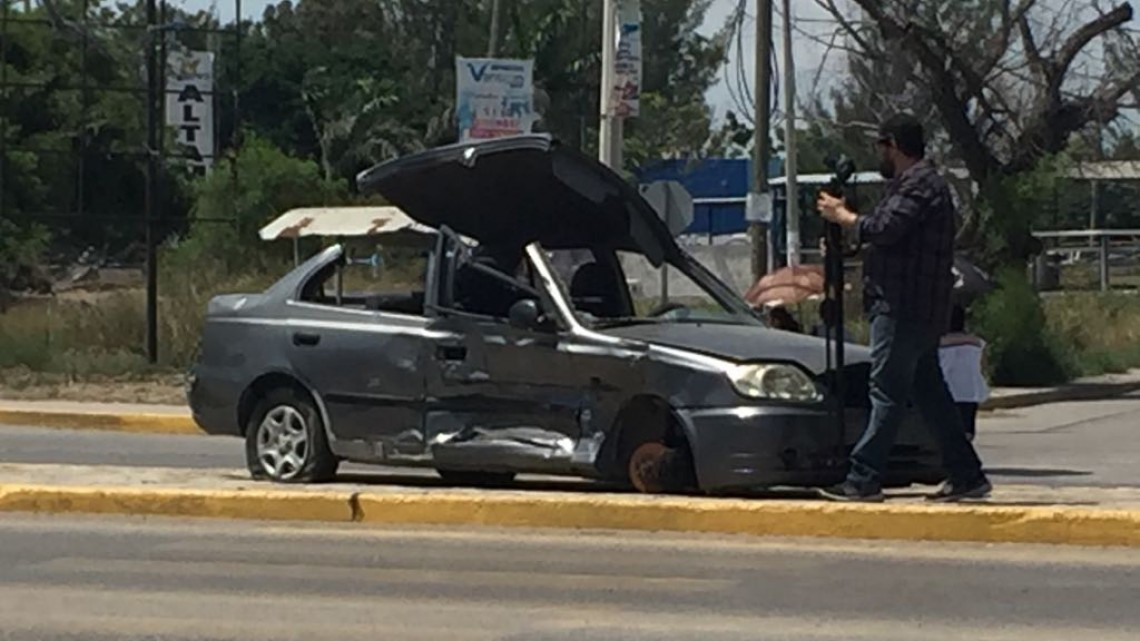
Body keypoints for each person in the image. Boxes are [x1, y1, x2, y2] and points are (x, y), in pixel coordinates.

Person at [815, 113, 991, 503]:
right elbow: (887, 235)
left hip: (904, 306)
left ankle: (862, 478)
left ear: (892, 145)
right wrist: (848, 234)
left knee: (887, 391)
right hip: (919, 308)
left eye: (881, 145)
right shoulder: (912, 185)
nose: (879, 153)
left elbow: (885, 228)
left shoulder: (919, 185)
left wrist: (843, 217)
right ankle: (967, 474)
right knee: (929, 392)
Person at [939, 305, 990, 442]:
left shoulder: (939, 342)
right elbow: (983, 366)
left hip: (947, 390)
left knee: (945, 427)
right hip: (970, 389)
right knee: (967, 428)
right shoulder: (977, 343)